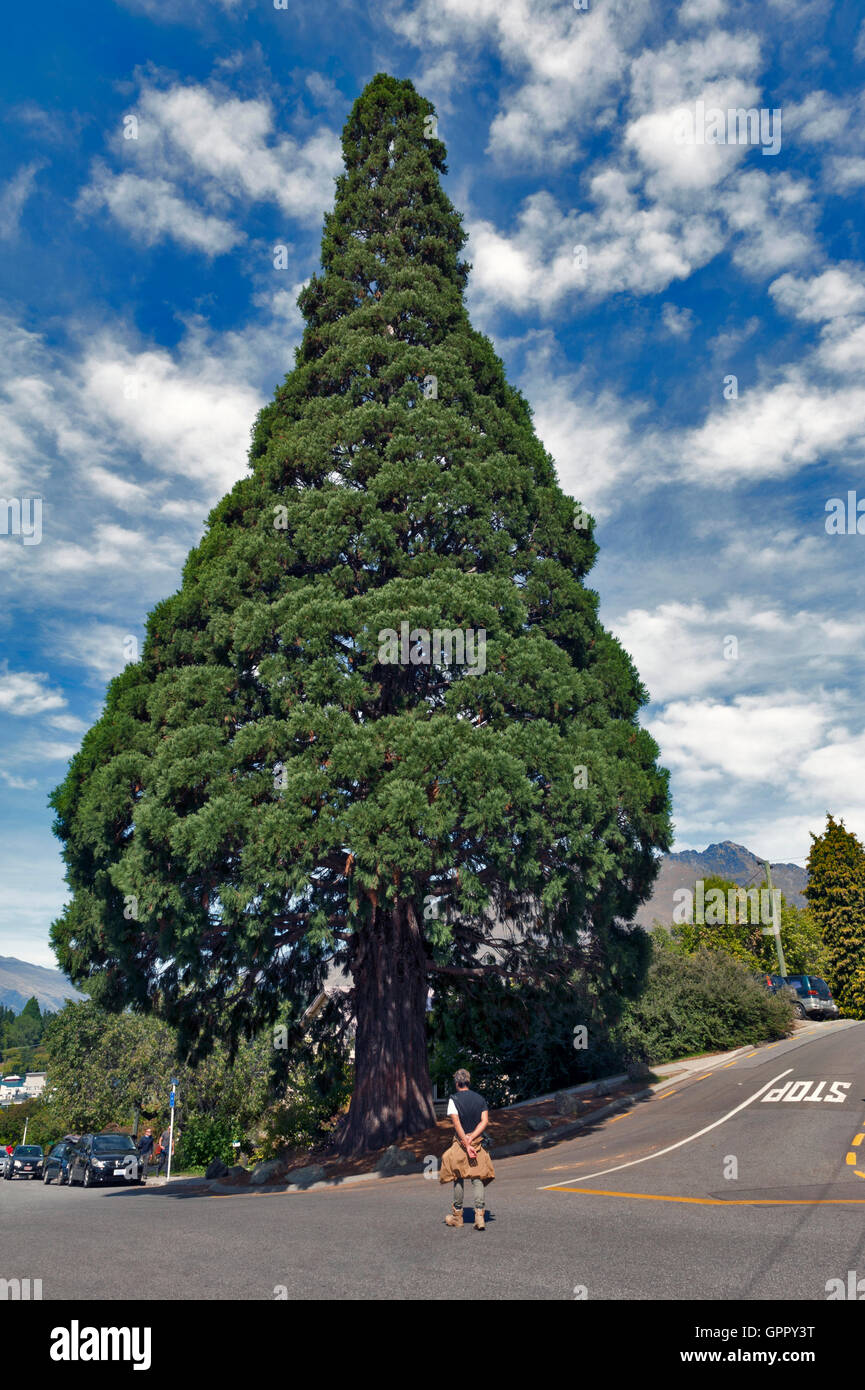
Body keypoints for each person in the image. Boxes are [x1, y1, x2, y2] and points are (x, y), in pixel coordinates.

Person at [439, 1068, 495, 1231]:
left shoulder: (453, 1099)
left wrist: (465, 1142)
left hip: (460, 1143)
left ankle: (457, 1217)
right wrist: (472, 1139)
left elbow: (456, 1124)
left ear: (457, 1083)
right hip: (476, 1141)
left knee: (458, 1176)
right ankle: (479, 1217)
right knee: (477, 1177)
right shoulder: (480, 1099)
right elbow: (484, 1121)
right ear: (468, 1082)